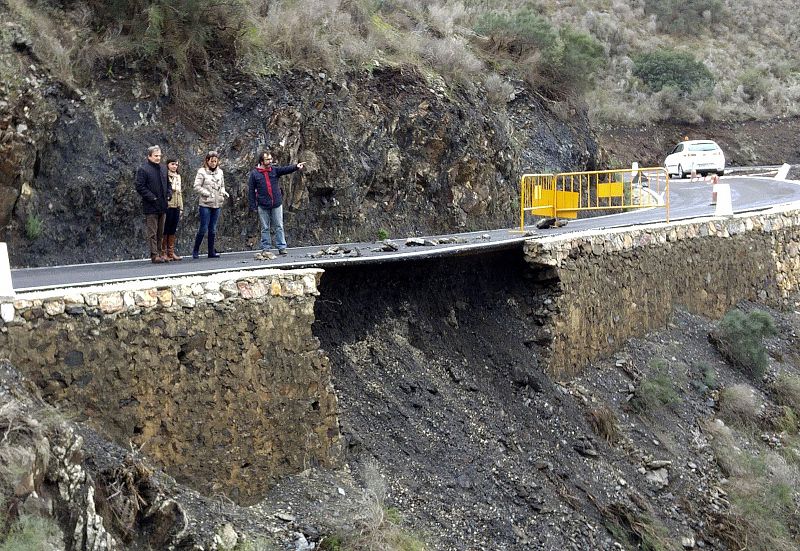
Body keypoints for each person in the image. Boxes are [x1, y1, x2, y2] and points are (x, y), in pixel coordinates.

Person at [247, 151, 305, 255]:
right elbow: (251, 190)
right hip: (262, 204)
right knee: (265, 227)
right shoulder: (255, 174)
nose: (270, 161)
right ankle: (266, 248)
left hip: (276, 203)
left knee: (279, 226)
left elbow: (285, 169)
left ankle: (282, 247)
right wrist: (253, 205)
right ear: (261, 161)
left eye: (270, 159)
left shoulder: (274, 170)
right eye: (267, 159)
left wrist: (296, 166)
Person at [134, 145, 172, 263]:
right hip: (151, 205)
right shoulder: (143, 169)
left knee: (161, 231)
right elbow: (139, 186)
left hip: (162, 204)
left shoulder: (163, 168)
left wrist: (169, 193)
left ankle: (161, 253)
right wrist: (152, 197)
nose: (158, 158)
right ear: (149, 156)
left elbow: (168, 183)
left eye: (159, 156)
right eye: (155, 156)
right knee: (152, 233)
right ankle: (154, 255)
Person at [192, 151, 229, 259]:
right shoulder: (201, 172)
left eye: (215, 161)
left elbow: (222, 185)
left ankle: (211, 251)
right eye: (211, 161)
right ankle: (196, 250)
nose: (213, 163)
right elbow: (196, 186)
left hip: (217, 203)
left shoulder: (220, 172)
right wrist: (207, 193)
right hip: (205, 203)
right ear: (207, 161)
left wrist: (223, 192)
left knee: (212, 228)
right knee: (203, 227)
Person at [162, 158, 184, 260]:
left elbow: (179, 193)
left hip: (177, 205)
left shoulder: (178, 177)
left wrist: (181, 206)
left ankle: (171, 252)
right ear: (167, 165)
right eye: (172, 164)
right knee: (165, 228)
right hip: (168, 205)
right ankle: (163, 252)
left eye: (176, 164)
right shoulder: (165, 176)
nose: (174, 166)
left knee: (173, 228)